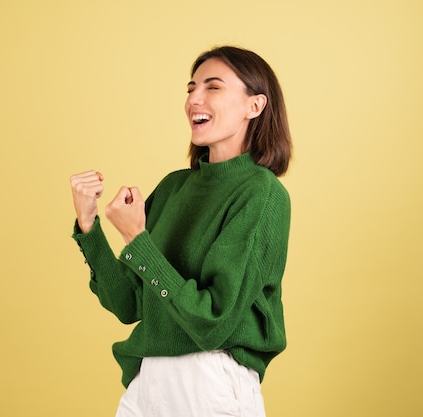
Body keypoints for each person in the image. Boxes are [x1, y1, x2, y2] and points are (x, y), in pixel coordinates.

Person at [69, 46, 292, 417]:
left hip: (209, 382)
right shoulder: (174, 187)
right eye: (191, 89)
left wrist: (137, 241)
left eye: (213, 87)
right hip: (148, 379)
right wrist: (89, 226)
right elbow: (128, 304)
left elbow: (213, 322)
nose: (194, 99)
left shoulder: (261, 193)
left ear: (255, 106)